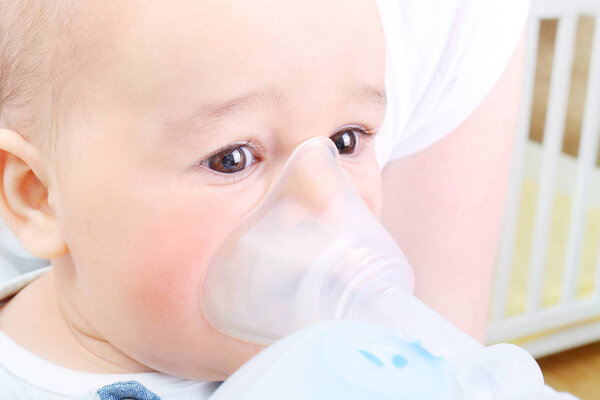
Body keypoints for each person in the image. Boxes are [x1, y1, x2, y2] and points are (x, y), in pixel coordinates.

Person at [0, 0, 530, 398]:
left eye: (346, 141)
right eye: (232, 158)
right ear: (39, 195)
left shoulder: (342, 365)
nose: (324, 202)